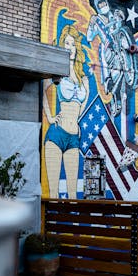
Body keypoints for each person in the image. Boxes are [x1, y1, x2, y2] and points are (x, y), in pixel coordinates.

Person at [43, 25, 89, 199]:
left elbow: (82, 104)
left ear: (76, 48)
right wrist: (50, 116)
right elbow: (43, 90)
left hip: (73, 137)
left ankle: (73, 225)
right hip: (56, 134)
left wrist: (76, 121)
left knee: (72, 192)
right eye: (66, 44)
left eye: (72, 44)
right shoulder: (58, 73)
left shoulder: (84, 79)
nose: (69, 47)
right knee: (53, 193)